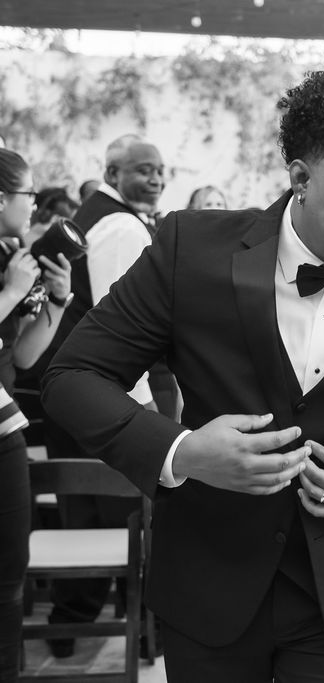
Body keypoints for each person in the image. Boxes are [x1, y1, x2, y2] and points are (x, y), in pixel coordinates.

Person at [41, 65, 324, 683]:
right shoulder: (189, 251)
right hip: (209, 590)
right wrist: (182, 451)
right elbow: (73, 375)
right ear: (301, 178)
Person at [36, 134, 170, 657]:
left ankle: (76, 628)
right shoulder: (120, 228)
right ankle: (132, 630)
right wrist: (147, 408)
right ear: (112, 173)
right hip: (103, 398)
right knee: (120, 516)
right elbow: (124, 331)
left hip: (71, 391)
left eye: (160, 169)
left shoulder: (96, 217)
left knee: (89, 515)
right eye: (143, 170)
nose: (156, 179)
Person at [0, 148, 73, 683]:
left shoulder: (12, 257)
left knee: (9, 575)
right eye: (29, 194)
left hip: (3, 431)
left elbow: (22, 357)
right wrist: (7, 293)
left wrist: (56, 302)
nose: (34, 204)